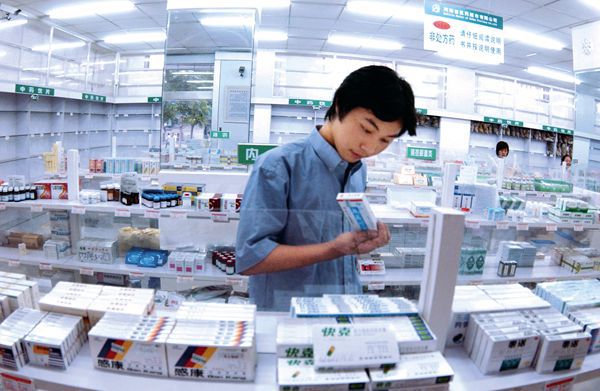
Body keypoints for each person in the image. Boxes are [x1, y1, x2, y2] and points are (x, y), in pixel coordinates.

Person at [235, 65, 417, 311]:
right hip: (288, 317)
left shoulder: (358, 170)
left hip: (344, 309)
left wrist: (364, 240)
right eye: (366, 129)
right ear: (340, 105)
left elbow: (342, 244)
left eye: (385, 140)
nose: (369, 148)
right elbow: (250, 258)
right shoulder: (278, 166)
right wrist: (333, 249)